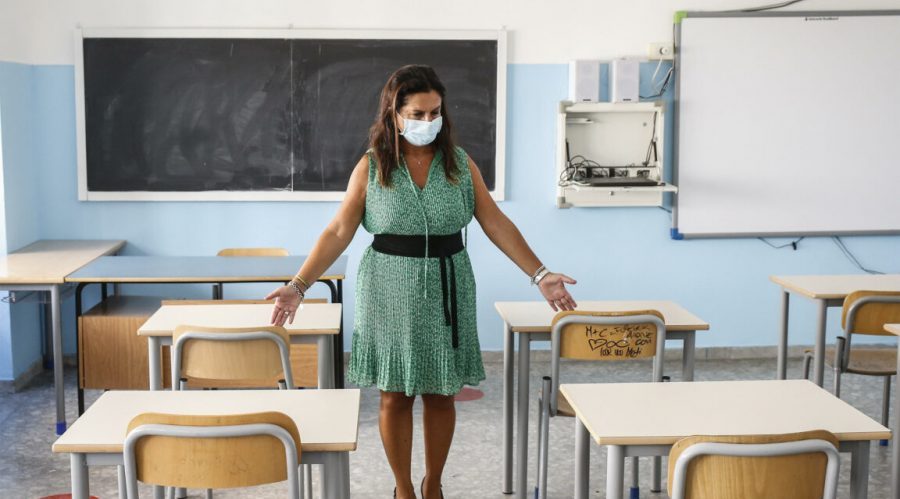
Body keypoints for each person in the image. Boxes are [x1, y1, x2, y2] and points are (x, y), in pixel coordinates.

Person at [266, 64, 576, 499]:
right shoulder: (373, 166)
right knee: (394, 395)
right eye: (417, 113)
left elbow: (496, 223)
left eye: (435, 113)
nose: (427, 122)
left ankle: (433, 484)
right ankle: (403, 488)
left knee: (441, 393)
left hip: (448, 282)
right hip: (387, 286)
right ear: (394, 113)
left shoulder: (460, 164)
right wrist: (298, 286)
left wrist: (540, 274)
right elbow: (339, 231)